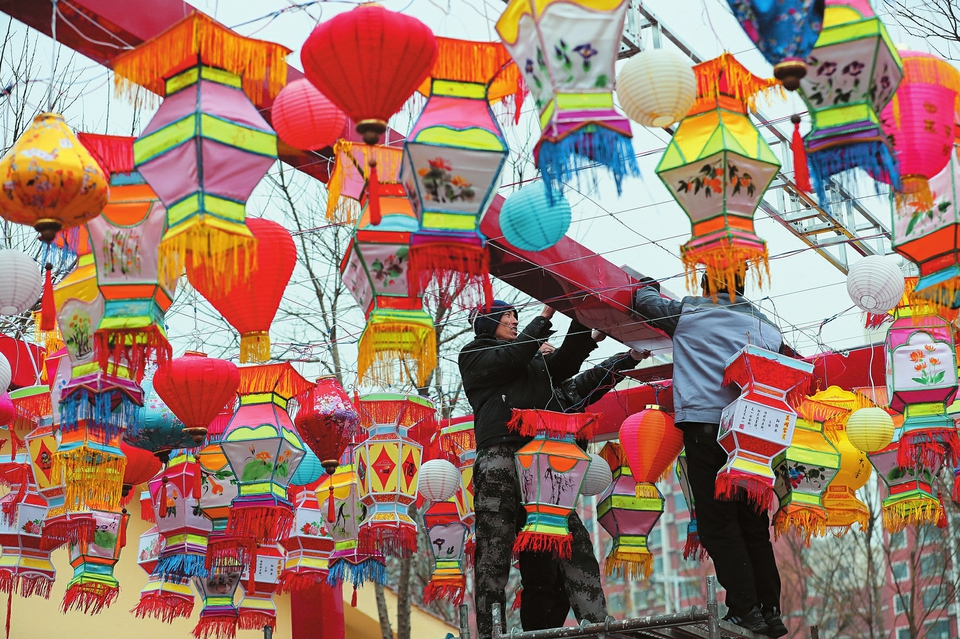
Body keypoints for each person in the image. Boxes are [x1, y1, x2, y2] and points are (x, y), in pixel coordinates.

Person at [459, 300, 647, 638]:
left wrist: (580, 318)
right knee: (494, 551)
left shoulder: (531, 365)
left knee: (574, 542)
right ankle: (489, 632)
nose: (514, 322)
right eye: (508, 317)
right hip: (499, 458)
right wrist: (546, 313)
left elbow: (567, 366)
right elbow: (513, 356)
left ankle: (597, 624)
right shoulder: (475, 355)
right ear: (488, 324)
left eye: (517, 317)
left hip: (543, 461)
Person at [631, 271, 789, 638]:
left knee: (718, 524)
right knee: (753, 526)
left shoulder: (691, 313)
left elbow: (644, 304)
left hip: (707, 428)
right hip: (751, 435)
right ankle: (769, 611)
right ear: (742, 286)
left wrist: (646, 284)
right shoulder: (768, 327)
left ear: (704, 287)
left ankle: (745, 610)